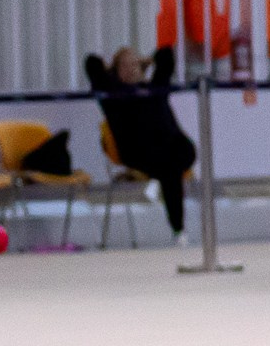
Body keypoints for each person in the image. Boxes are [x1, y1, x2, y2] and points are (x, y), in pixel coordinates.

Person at [83, 46, 199, 240]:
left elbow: (166, 55)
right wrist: (110, 70)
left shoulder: (154, 87)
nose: (132, 68)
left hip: (173, 148)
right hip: (138, 152)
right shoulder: (112, 93)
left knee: (174, 157)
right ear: (115, 70)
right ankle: (178, 229)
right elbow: (91, 63)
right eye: (126, 65)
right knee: (170, 168)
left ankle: (160, 187)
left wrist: (148, 61)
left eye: (136, 64)